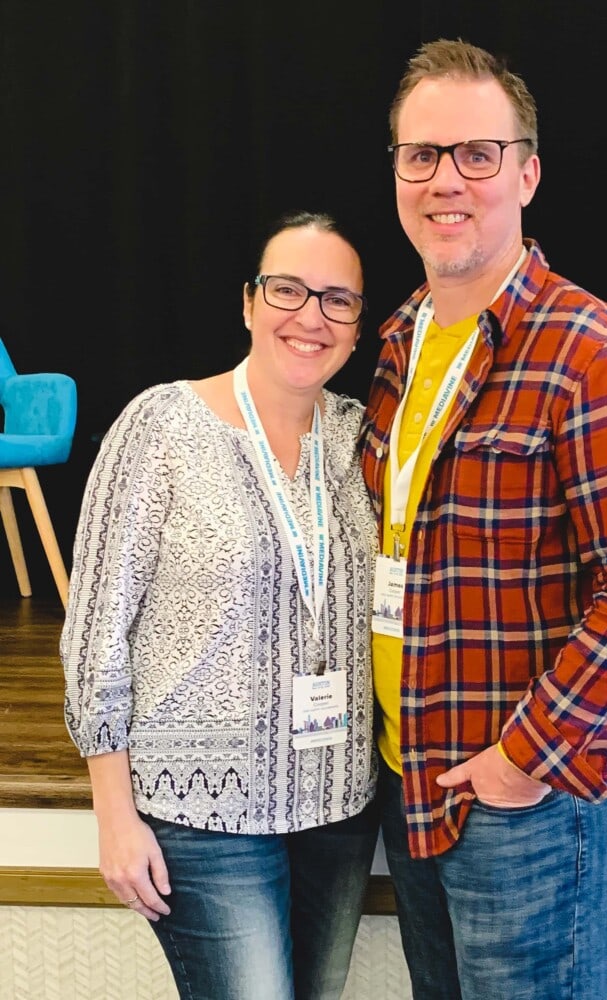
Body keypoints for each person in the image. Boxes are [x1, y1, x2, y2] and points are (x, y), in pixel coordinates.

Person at [359, 38, 607, 1000]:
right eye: (420, 155)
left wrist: (522, 758)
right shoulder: (398, 341)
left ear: (528, 172)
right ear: (396, 173)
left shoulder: (594, 350)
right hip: (412, 776)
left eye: (479, 153)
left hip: (532, 800)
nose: (446, 179)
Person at [61, 210, 380, 1000]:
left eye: (337, 300)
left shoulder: (362, 438)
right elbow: (95, 629)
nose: (311, 316)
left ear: (358, 325)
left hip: (337, 805)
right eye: (288, 290)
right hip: (200, 814)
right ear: (248, 303)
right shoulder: (161, 425)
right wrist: (113, 813)